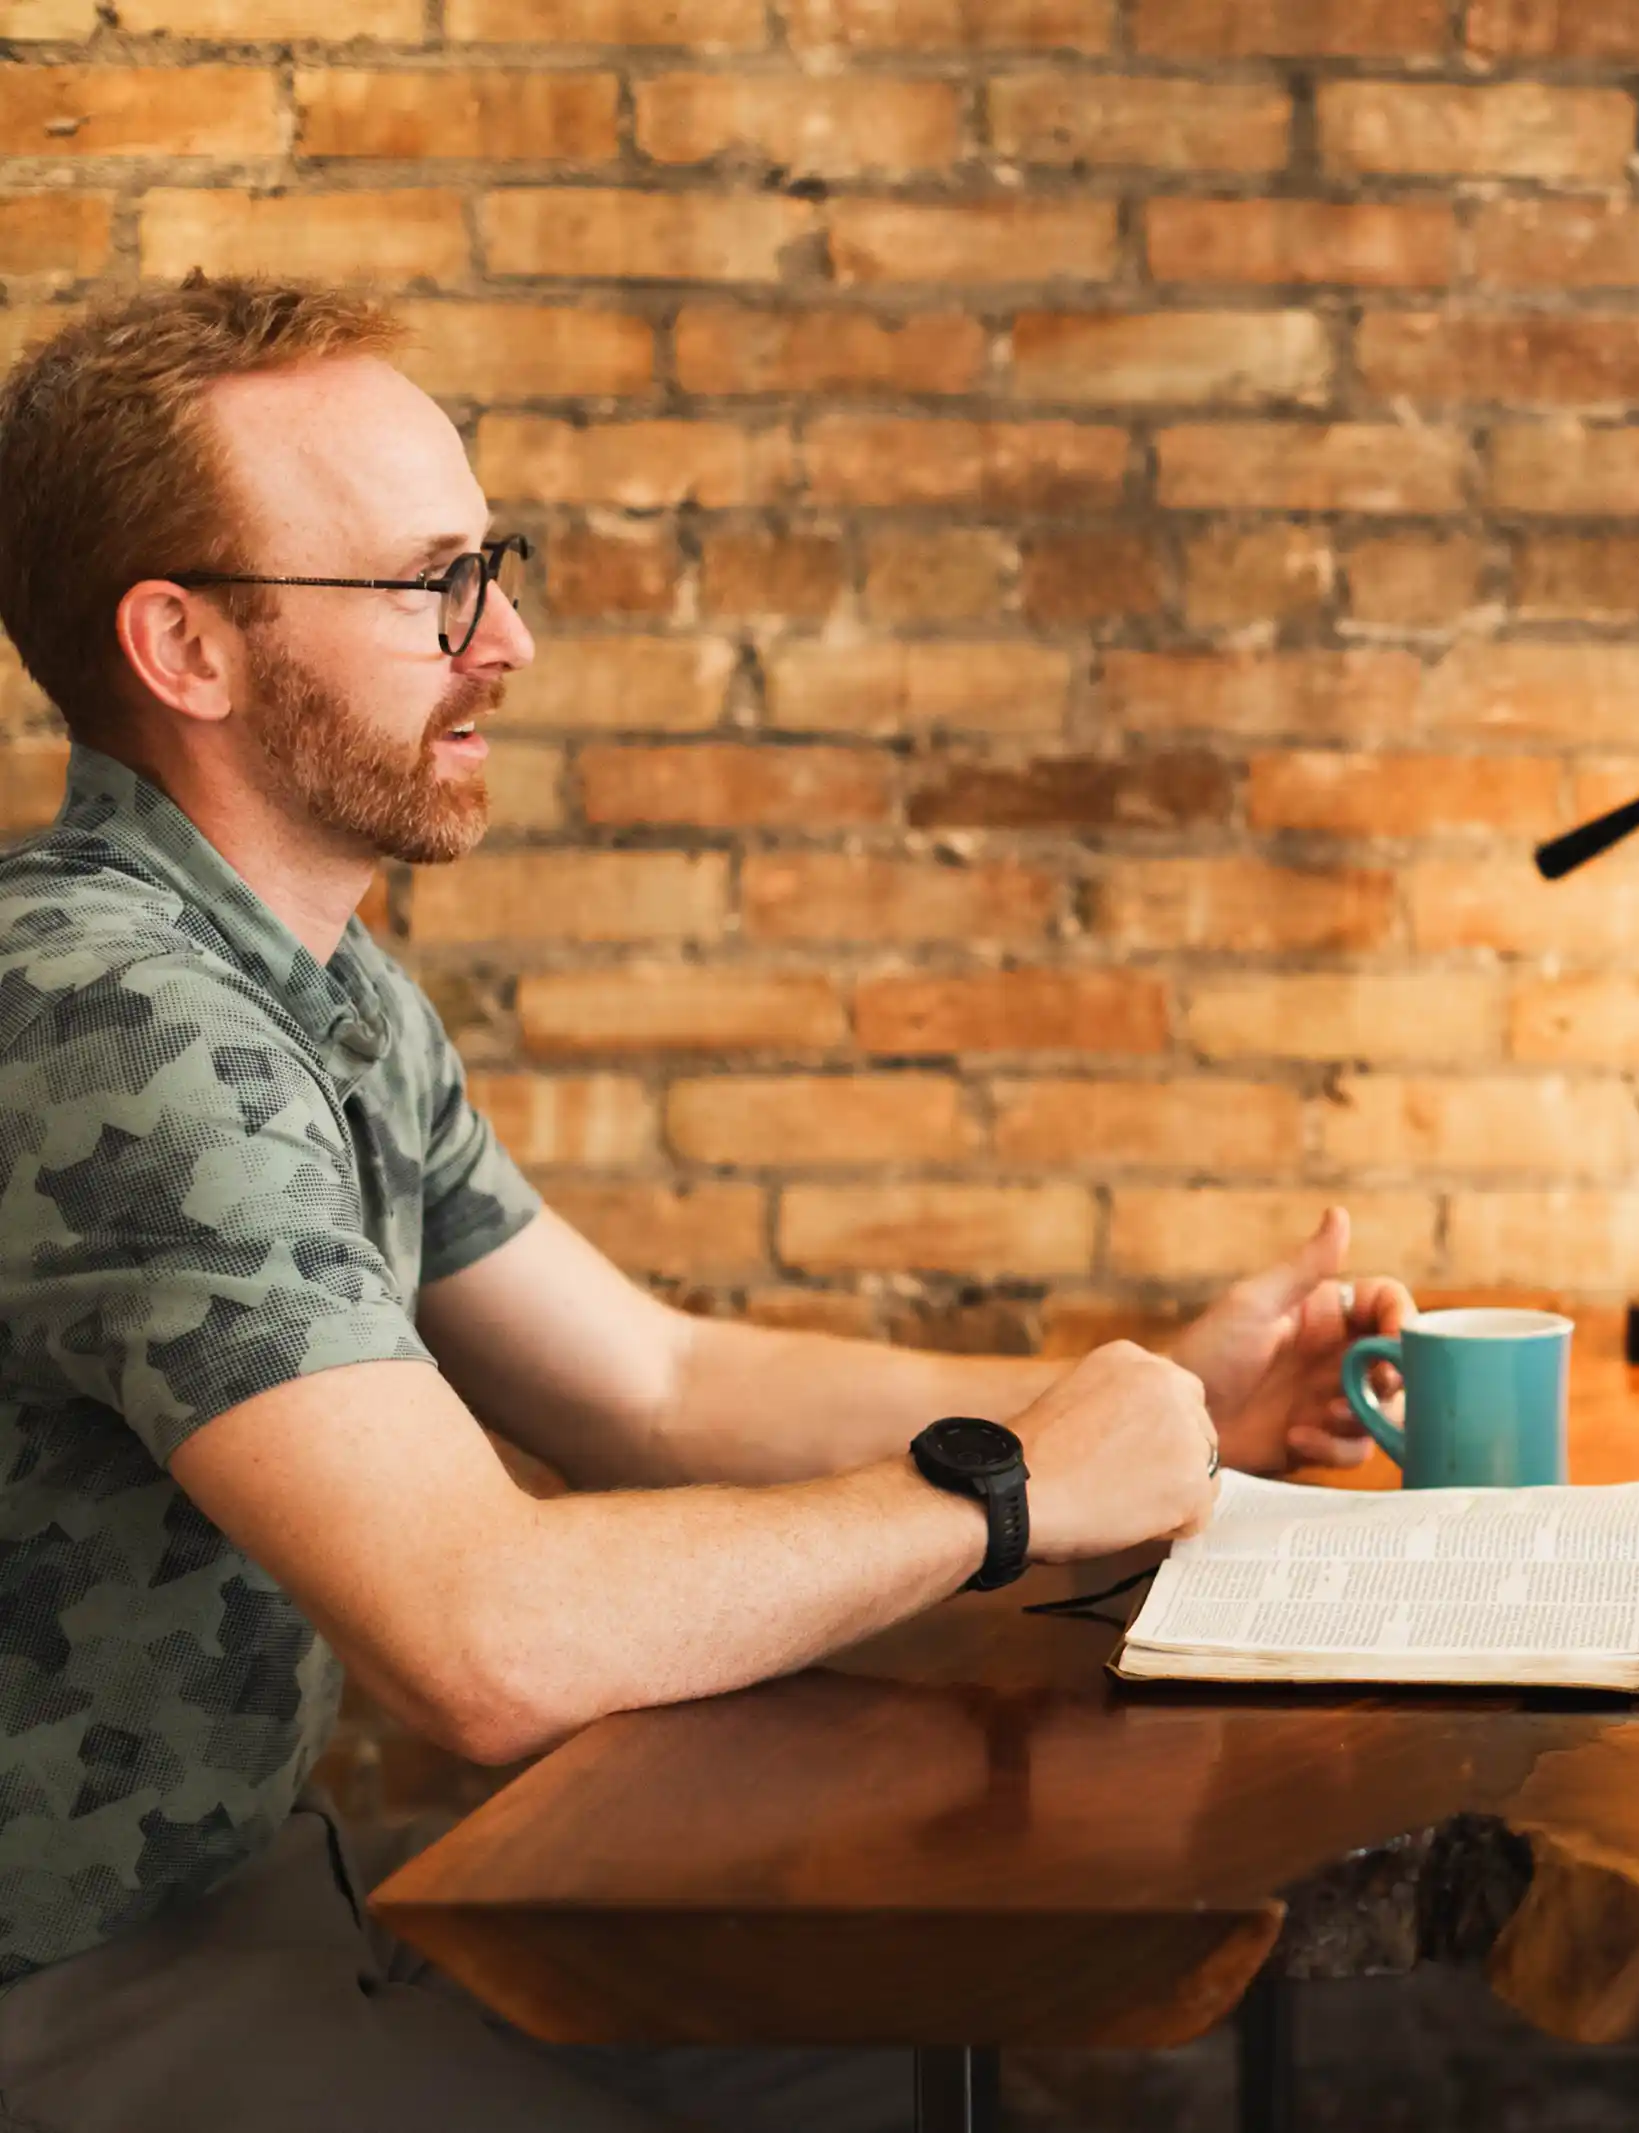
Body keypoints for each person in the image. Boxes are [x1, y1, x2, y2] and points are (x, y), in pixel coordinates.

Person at [0, 275, 1410, 2132]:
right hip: (71, 1998)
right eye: (428, 586)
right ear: (186, 646)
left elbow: (649, 1385)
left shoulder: (318, 994)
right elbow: (485, 1639)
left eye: (491, 566)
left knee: (942, 2084)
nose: (508, 639)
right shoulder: (113, 1020)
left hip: (279, 1910)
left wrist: (1144, 1403)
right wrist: (1008, 1493)